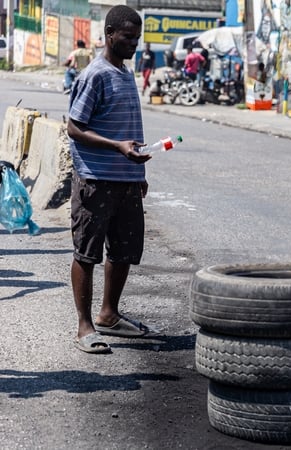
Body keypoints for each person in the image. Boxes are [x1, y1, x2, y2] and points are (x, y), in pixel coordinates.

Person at [66, 5, 153, 354]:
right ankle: (84, 326)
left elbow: (130, 130)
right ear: (109, 35)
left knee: (123, 250)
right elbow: (74, 127)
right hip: (95, 178)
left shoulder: (126, 73)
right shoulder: (95, 74)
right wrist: (117, 147)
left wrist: (138, 173)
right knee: (87, 252)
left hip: (127, 179)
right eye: (127, 37)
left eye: (137, 37)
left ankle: (109, 314)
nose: (133, 43)